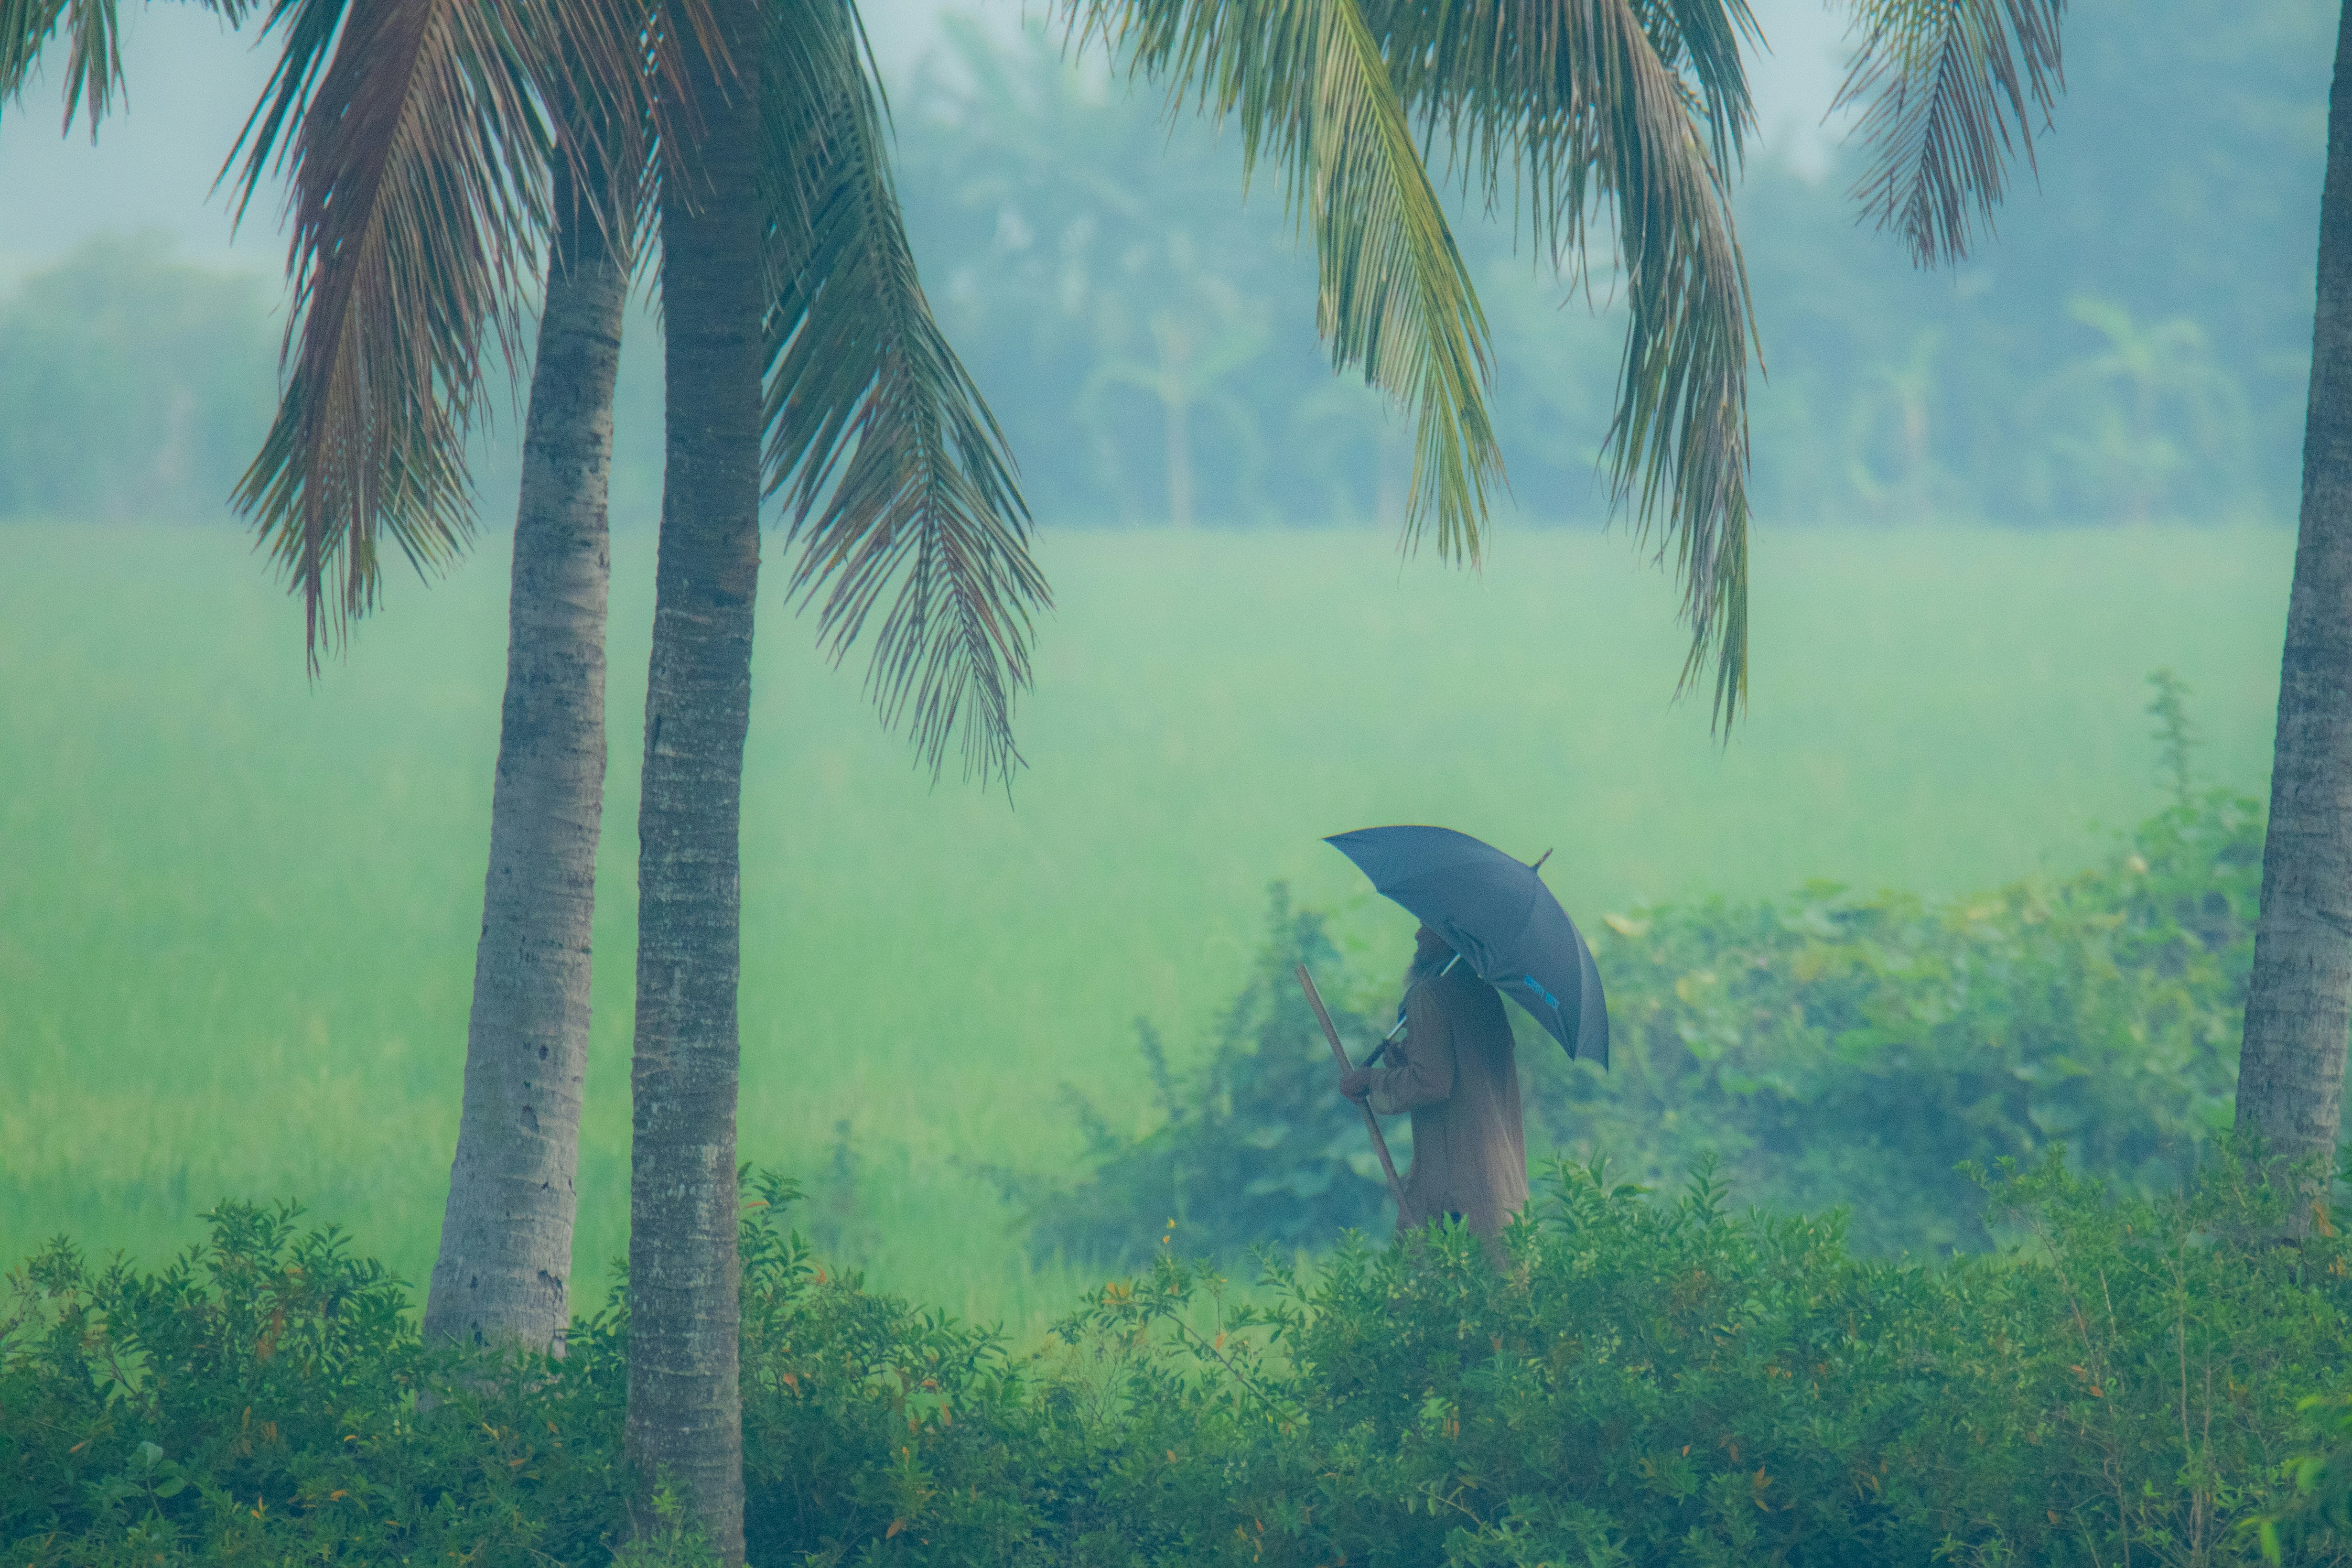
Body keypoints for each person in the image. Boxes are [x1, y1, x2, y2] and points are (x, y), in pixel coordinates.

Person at [1340, 925, 1528, 1264]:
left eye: (1428, 924)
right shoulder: (1485, 995)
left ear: (1450, 934)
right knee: (1498, 1301)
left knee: (1421, 1303)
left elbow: (1432, 1082)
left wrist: (1372, 1080)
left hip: (1451, 1201)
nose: (1416, 935)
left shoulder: (1428, 995)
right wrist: (1404, 1065)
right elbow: (1461, 1075)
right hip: (1497, 1191)